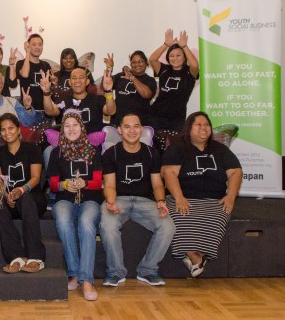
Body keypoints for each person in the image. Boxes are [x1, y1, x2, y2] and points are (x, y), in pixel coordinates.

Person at [161, 111, 242, 277]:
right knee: (177, 217)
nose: (203, 128)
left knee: (219, 216)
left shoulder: (220, 150)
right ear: (188, 128)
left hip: (214, 200)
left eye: (206, 125)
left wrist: (230, 197)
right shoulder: (178, 149)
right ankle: (195, 257)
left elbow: (236, 172)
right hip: (183, 198)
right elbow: (168, 173)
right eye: (198, 124)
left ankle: (195, 257)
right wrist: (179, 197)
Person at [100, 113, 175, 287]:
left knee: (168, 226)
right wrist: (111, 202)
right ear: (119, 130)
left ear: (141, 129)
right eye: (127, 127)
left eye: (136, 126)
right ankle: (115, 271)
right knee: (108, 225)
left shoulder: (151, 153)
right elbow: (109, 185)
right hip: (118, 199)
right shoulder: (111, 153)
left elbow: (157, 184)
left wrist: (161, 201)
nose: (132, 131)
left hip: (145, 201)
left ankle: (148, 270)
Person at [48, 110, 103, 301]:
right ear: (62, 129)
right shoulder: (57, 152)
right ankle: (74, 273)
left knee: (87, 223)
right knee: (63, 220)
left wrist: (84, 183)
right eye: (67, 125)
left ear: (82, 127)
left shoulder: (93, 151)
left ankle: (86, 280)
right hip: (65, 200)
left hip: (90, 200)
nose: (71, 129)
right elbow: (52, 184)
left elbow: (98, 182)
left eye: (75, 125)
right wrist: (64, 184)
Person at [0, 113, 47, 273]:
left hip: (32, 199)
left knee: (26, 198)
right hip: (9, 200)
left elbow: (36, 178)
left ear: (18, 129)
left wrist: (21, 190)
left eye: (11, 128)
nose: (7, 132)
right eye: (3, 129)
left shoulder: (32, 150)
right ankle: (16, 257)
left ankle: (36, 257)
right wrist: (6, 196)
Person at [149, 29, 199, 131]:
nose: (174, 58)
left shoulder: (189, 72)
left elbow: (195, 65)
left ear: (184, 58)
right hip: (156, 116)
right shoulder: (164, 69)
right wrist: (166, 45)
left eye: (178, 55)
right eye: (171, 56)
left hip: (177, 120)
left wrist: (184, 47)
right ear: (168, 58)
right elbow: (152, 59)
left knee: (176, 141)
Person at [41, 67, 115, 134]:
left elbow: (110, 111)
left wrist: (108, 91)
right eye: (74, 78)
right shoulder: (64, 101)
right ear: (70, 82)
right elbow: (50, 111)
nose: (77, 81)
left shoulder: (97, 99)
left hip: (93, 142)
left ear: (87, 82)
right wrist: (46, 92)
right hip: (70, 142)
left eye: (81, 77)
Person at [106, 51, 157, 127]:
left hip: (139, 125)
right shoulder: (121, 76)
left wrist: (133, 78)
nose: (137, 64)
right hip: (118, 123)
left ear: (146, 63)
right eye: (134, 62)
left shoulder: (150, 80)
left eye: (140, 61)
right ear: (130, 64)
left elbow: (146, 94)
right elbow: (105, 84)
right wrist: (109, 67)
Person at [16, 34, 53, 124]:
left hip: (45, 112)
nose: (37, 47)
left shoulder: (46, 65)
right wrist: (27, 53)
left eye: (40, 44)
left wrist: (54, 81)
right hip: (28, 110)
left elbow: (50, 87)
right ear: (28, 46)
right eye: (34, 44)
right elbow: (25, 74)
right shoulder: (21, 63)